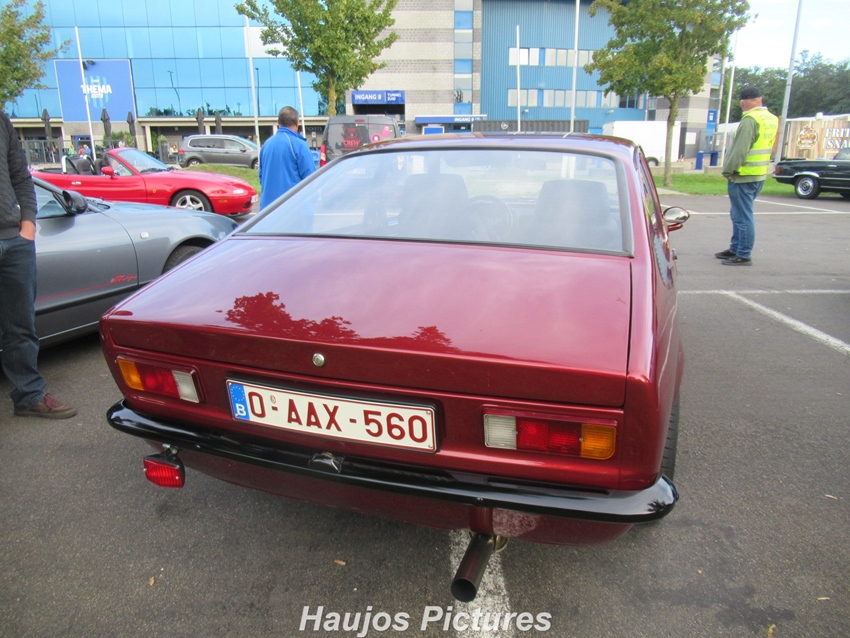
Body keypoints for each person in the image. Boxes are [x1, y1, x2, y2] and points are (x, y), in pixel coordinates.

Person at [0, 111, 77, 419]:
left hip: (14, 240)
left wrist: (28, 223)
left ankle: (28, 395)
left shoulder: (1, 121)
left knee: (20, 327)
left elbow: (20, 176)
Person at [717, 86, 779, 266]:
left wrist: (728, 170)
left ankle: (743, 253)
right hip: (758, 174)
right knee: (739, 214)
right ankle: (736, 248)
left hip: (744, 175)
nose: (741, 106)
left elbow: (740, 149)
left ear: (744, 102)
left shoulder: (750, 120)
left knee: (742, 216)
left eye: (741, 103)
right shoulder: (771, 119)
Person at [258, 106, 316, 209]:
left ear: (278, 122)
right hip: (292, 210)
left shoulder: (266, 145)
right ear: (297, 122)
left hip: (268, 210)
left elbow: (261, 177)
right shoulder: (299, 145)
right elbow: (311, 179)